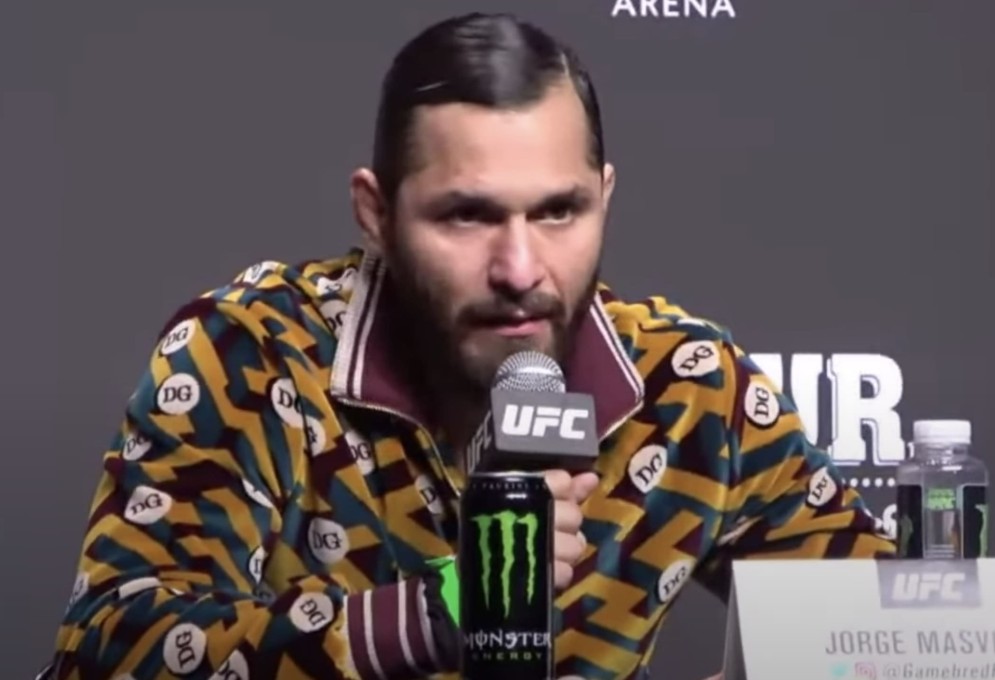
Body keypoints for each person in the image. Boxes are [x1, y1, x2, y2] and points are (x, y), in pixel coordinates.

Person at [42, 11, 895, 680]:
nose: (521, 269)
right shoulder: (254, 352)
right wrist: (441, 610)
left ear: (604, 198)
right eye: (466, 215)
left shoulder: (690, 386)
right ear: (376, 215)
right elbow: (115, 649)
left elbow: (892, 639)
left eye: (558, 211)